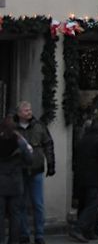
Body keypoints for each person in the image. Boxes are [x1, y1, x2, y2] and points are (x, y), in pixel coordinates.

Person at [13, 101, 54, 244]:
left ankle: (39, 235)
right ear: (19, 113)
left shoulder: (39, 126)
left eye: (29, 109)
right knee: (21, 204)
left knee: (38, 204)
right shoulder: (14, 128)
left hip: (36, 169)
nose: (29, 112)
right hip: (20, 170)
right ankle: (24, 234)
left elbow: (48, 144)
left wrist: (51, 163)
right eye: (25, 110)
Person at [70, 118, 98, 244]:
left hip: (81, 177)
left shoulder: (83, 139)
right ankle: (79, 228)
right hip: (93, 177)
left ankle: (91, 230)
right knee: (92, 204)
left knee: (84, 204)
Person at [0, 116, 32, 244]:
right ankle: (14, 241)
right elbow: (29, 159)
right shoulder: (20, 142)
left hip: (1, 183)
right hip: (16, 183)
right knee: (16, 214)